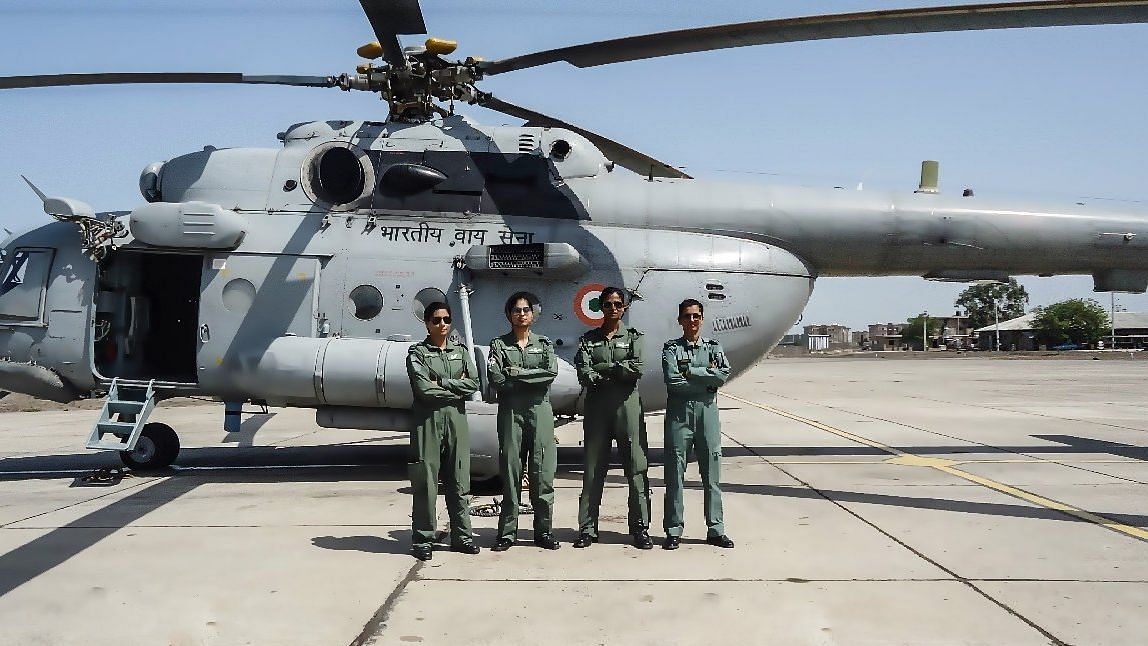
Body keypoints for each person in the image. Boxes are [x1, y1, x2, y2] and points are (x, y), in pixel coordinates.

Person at [573, 286, 652, 550]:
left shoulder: (634, 337)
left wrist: (604, 369)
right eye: (608, 304)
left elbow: (637, 368)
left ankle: (640, 527)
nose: (613, 309)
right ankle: (587, 528)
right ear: (601, 307)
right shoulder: (588, 339)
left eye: (618, 304)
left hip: (627, 407)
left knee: (636, 467)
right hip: (597, 410)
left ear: (624, 307)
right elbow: (584, 373)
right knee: (594, 469)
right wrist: (617, 368)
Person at [405, 301, 481, 561]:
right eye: (436, 320)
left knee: (459, 481)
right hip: (428, 422)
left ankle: (462, 536)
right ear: (427, 323)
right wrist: (454, 387)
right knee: (426, 481)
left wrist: (443, 383)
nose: (442, 324)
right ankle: (423, 538)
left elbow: (473, 383)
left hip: (456, 421)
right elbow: (424, 389)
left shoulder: (461, 352)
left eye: (446, 319)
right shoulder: (417, 353)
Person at [487, 292, 561, 552]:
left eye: (526, 310)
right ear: (509, 315)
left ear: (533, 314)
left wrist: (516, 373)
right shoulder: (498, 345)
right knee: (511, 473)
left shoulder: (544, 344)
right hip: (511, 414)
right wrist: (528, 376)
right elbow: (496, 377)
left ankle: (544, 532)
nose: (521, 314)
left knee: (542, 474)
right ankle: (507, 533)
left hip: (540, 413)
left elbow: (550, 373)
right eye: (516, 310)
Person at [661, 298, 734, 550]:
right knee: (674, 475)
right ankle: (673, 530)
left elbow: (723, 374)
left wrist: (691, 372)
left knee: (712, 474)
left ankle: (715, 529)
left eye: (696, 316)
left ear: (702, 319)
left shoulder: (714, 347)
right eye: (687, 316)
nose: (692, 321)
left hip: (707, 416)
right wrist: (706, 377)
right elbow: (672, 381)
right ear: (680, 320)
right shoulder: (671, 349)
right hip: (679, 416)